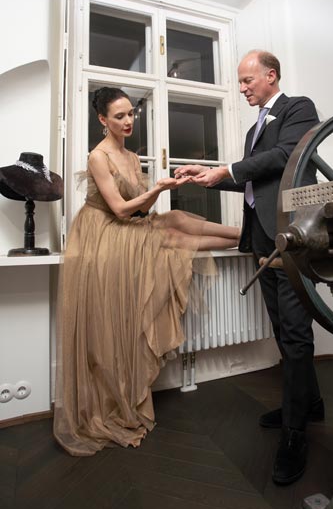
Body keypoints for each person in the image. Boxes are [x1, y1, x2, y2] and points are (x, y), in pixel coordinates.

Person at [54, 86, 239, 456]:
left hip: (128, 227)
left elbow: (139, 212)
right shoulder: (98, 156)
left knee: (176, 218)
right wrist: (157, 188)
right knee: (171, 235)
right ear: (103, 120)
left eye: (130, 114)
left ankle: (249, 236)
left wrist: (157, 194)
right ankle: (252, 237)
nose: (127, 121)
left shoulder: (132, 156)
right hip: (103, 234)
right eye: (119, 116)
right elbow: (121, 210)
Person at [175, 50, 324, 485]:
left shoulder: (299, 108)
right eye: (240, 83)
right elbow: (248, 176)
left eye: (246, 81)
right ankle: (308, 403)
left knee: (296, 334)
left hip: (292, 237)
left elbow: (282, 157)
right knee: (281, 329)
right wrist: (207, 175)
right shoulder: (254, 129)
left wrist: (226, 168)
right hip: (263, 240)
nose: (241, 89)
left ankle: (296, 434)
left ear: (270, 75)